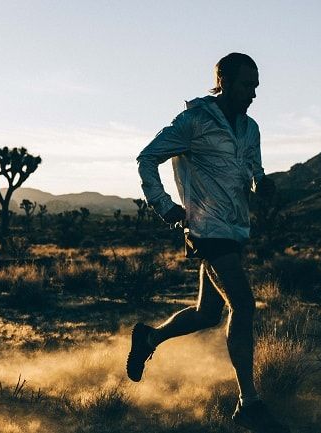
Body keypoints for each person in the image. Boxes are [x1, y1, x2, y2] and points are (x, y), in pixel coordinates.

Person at [128, 53, 289, 433]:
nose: (254, 93)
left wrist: (260, 183)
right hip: (205, 230)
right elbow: (146, 158)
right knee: (244, 305)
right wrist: (164, 205)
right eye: (248, 84)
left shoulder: (250, 129)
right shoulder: (194, 120)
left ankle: (149, 336)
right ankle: (248, 403)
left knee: (207, 314)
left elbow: (253, 169)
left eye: (256, 86)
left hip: (234, 230)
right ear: (225, 80)